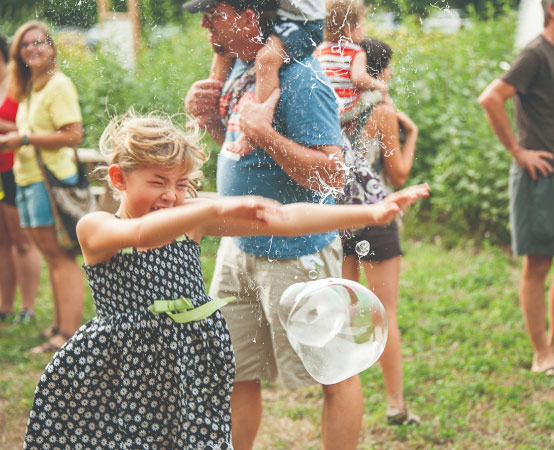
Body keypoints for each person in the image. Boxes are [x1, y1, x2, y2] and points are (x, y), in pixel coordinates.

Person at [22, 111, 429, 448]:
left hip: (190, 366)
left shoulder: (191, 219)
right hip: (123, 370)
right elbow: (143, 234)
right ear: (118, 178)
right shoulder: (96, 227)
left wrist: (370, 213)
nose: (170, 196)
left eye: (181, 184)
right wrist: (211, 207)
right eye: (157, 182)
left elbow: (284, 219)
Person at [183, 1, 362, 448]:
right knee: (236, 371)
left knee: (333, 374)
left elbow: (332, 175)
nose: (203, 22)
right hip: (236, 252)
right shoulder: (243, 67)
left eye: (213, 12)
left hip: (297, 257)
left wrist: (267, 135)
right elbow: (240, 148)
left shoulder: (301, 79)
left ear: (248, 17)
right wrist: (209, 120)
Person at [478, 0, 554, 376]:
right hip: (541, 176)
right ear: (553, 8)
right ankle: (541, 354)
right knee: (539, 263)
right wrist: (518, 151)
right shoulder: (535, 54)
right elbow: (491, 97)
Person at [339, 37, 420, 425]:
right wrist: (413, 135)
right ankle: (396, 405)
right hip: (374, 212)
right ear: (381, 71)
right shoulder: (382, 110)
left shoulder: (334, 106)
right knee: (383, 310)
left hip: (334, 217)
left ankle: (340, 391)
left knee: (342, 308)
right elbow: (399, 173)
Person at [0, 21, 85, 353]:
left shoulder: (58, 85)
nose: (32, 49)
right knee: (51, 257)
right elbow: (28, 128)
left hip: (51, 181)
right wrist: (14, 132)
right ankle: (58, 326)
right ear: (17, 53)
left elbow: (73, 134)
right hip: (27, 179)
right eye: (25, 45)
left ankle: (69, 334)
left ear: (52, 48)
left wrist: (21, 138)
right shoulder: (31, 87)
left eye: (39, 43)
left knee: (61, 257)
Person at [207, 0, 327, 157]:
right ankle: (207, 102)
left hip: (303, 22)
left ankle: (253, 133)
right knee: (224, 45)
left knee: (267, 59)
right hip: (280, 15)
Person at [0, 34, 41, 325]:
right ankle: (5, 305)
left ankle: (28, 307)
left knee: (21, 241)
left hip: (16, 169)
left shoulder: (19, 84)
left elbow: (30, 127)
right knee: (2, 241)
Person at [315, 0, 389, 124]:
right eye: (363, 25)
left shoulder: (320, 50)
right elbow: (359, 78)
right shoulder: (356, 52)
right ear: (348, 29)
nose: (365, 30)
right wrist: (379, 85)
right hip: (345, 110)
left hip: (324, 111)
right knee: (378, 95)